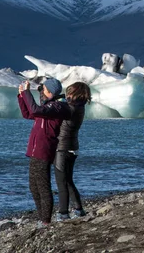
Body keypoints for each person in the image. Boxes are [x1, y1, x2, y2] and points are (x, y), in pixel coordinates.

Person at [17, 78, 69, 228]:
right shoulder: (47, 108)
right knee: (34, 186)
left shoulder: (57, 107)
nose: (42, 92)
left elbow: (35, 110)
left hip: (43, 150)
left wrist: (27, 92)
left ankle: (46, 221)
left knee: (43, 186)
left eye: (44, 89)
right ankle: (42, 218)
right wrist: (22, 96)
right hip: (35, 151)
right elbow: (28, 113)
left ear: (51, 92)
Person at [54, 82, 92, 222]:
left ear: (74, 94)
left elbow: (54, 110)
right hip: (73, 147)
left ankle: (63, 212)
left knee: (61, 181)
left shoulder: (70, 108)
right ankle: (78, 209)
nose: (67, 95)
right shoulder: (80, 107)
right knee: (68, 179)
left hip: (62, 147)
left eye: (69, 92)